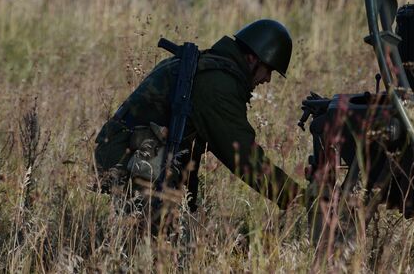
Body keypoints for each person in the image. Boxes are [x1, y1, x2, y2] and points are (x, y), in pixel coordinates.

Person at [93, 19, 303, 222]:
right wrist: (299, 199)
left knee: (163, 239)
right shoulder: (217, 85)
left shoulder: (206, 66)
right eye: (268, 69)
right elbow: (245, 158)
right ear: (252, 59)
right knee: (162, 248)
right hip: (137, 164)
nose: (267, 79)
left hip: (133, 158)